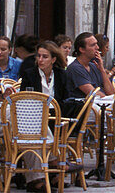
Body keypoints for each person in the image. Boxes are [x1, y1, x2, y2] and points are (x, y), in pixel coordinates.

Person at [18, 41, 79, 190]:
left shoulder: (61, 75)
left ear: (53, 59)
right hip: (33, 118)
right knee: (35, 129)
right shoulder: (29, 74)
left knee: (48, 128)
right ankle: (54, 165)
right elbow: (23, 99)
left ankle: (47, 176)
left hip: (55, 118)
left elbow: (66, 98)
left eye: (45, 57)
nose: (40, 60)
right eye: (39, 56)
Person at [64, 32, 115, 101]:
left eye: (96, 44)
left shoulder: (94, 66)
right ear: (82, 49)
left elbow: (111, 93)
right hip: (85, 109)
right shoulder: (75, 68)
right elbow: (95, 95)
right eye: (93, 45)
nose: (97, 47)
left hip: (100, 107)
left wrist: (102, 69)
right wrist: (112, 101)